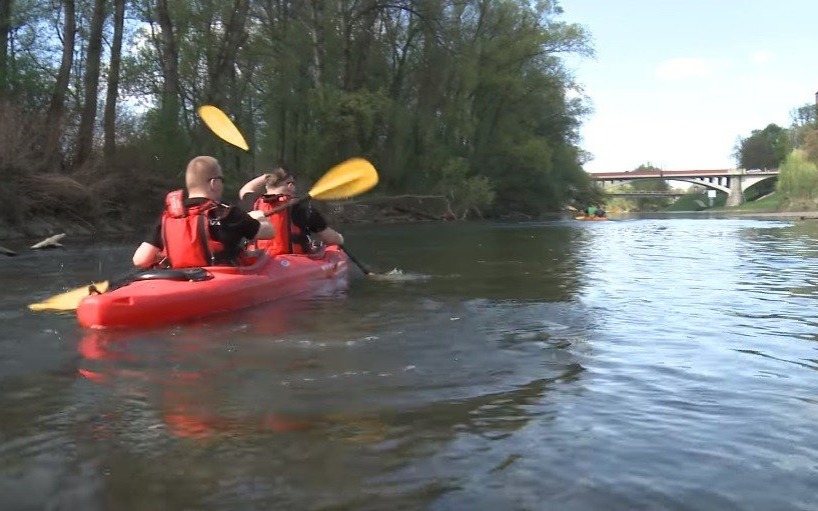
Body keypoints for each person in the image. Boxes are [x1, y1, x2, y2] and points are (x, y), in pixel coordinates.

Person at [132, 156, 275, 269]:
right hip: (222, 286)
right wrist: (259, 215)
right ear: (214, 183)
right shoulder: (228, 213)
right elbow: (269, 233)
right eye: (222, 180)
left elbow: (140, 260)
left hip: (181, 282)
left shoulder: (169, 216)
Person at [239, 166, 344, 256]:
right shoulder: (301, 207)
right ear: (290, 186)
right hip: (291, 262)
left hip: (261, 261)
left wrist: (267, 177)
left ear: (267, 186)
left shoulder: (255, 202)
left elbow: (246, 189)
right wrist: (340, 238)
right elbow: (330, 238)